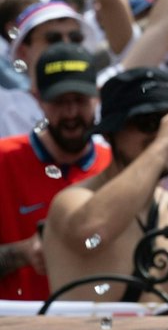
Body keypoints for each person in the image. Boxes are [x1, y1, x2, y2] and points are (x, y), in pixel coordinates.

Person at [42, 69, 168, 305]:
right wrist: (165, 142)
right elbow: (91, 233)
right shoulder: (72, 201)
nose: (160, 134)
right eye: (147, 124)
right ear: (110, 134)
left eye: (167, 124)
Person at [0, 46, 111, 300]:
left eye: (80, 100)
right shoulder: (4, 160)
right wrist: (23, 253)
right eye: (59, 102)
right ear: (37, 99)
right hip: (18, 326)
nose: (71, 114)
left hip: (95, 324)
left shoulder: (114, 166)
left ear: (97, 97)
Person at [1, 2, 92, 138]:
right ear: (23, 52)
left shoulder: (102, 102)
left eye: (75, 38)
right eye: (53, 39)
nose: (67, 46)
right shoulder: (4, 107)